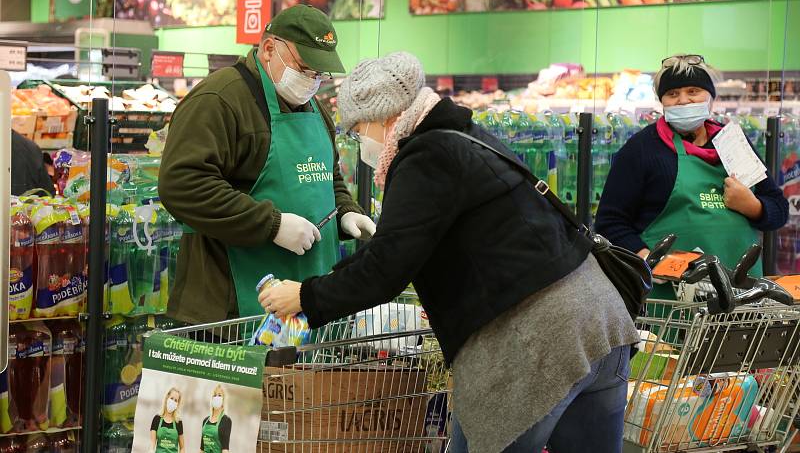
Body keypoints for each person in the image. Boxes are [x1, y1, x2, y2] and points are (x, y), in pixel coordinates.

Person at [258, 52, 640, 453]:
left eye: (357, 131)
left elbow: (385, 269)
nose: (360, 143)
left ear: (384, 117)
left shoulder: (427, 156)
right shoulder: (465, 136)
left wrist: (304, 296)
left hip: (535, 346)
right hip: (602, 321)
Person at [158, 5, 375, 324]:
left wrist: (346, 210)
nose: (311, 81)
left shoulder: (314, 108)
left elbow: (328, 177)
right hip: (230, 313)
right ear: (270, 48)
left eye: (319, 74)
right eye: (304, 68)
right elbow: (182, 184)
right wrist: (271, 225)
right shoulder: (219, 100)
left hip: (303, 307)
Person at [596, 54, 788, 299]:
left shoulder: (732, 144)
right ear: (662, 101)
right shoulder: (641, 150)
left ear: (710, 97)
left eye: (693, 91)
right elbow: (609, 223)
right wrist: (647, 260)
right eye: (673, 94)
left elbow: (779, 210)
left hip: (739, 298)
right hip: (670, 303)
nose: (683, 100)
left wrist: (754, 206)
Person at [11, 130, 55, 196]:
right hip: (30, 202)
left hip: (20, 202)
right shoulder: (31, 146)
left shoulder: (28, 147)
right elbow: (48, 191)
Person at [150, 388, 185, 453]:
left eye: (176, 400)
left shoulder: (178, 422)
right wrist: (151, 451)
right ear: (167, 398)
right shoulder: (157, 419)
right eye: (171, 398)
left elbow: (182, 448)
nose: (173, 402)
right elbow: (152, 444)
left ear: (177, 404)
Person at [200, 385, 232, 453]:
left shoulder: (226, 420)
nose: (216, 397)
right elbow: (202, 449)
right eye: (214, 395)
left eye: (219, 395)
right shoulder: (205, 421)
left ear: (224, 399)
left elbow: (225, 449)